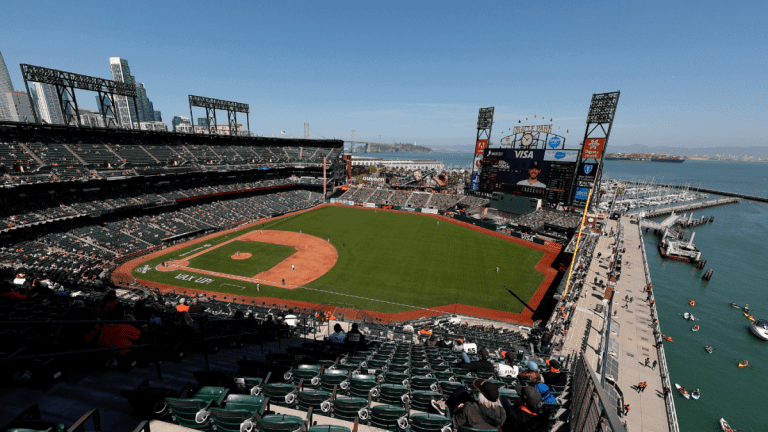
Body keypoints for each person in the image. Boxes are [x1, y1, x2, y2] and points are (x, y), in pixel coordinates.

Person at [436, 379, 506, 429]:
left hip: (466, 416)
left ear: (481, 395)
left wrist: (458, 409)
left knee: (461, 391)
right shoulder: (502, 412)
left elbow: (455, 423)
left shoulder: (468, 408)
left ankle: (444, 406)